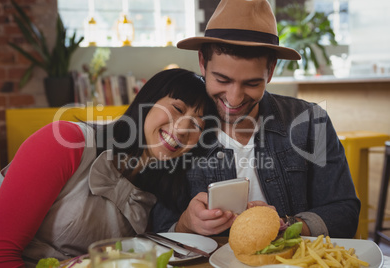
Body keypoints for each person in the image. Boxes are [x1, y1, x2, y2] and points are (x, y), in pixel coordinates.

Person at [151, 0, 360, 238]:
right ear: (202, 63)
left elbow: (345, 213)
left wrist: (285, 224)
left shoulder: (312, 122)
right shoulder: (176, 132)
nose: (234, 98)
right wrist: (184, 225)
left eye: (251, 83)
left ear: (270, 70)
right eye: (222, 80)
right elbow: (155, 227)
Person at [0, 68, 217, 267]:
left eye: (198, 124)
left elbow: (151, 252)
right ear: (147, 100)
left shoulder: (156, 189)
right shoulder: (66, 141)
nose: (183, 128)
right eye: (176, 109)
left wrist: (188, 224)